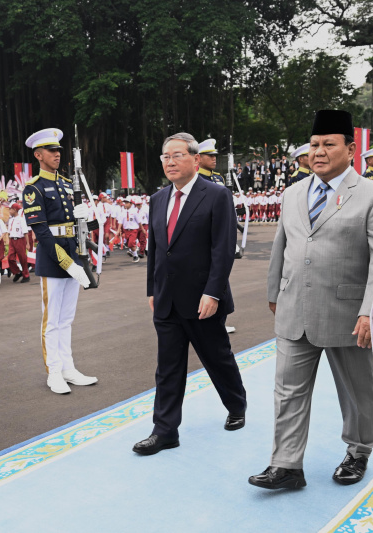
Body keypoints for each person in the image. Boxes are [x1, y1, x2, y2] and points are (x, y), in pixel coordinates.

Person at [249, 110, 373, 489]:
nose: (318, 152)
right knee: (287, 390)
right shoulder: (293, 193)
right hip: (294, 307)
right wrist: (274, 294)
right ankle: (286, 465)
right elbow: (281, 248)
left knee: (357, 390)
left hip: (349, 313)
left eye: (327, 144)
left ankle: (358, 450)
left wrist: (372, 311)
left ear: (350, 149)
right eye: (314, 145)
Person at [133, 132, 246, 456]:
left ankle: (236, 404)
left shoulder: (216, 195)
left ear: (195, 160)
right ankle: (165, 430)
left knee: (217, 358)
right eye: (165, 156)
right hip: (167, 300)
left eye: (177, 155)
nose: (170, 161)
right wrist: (152, 289)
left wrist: (213, 293)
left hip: (202, 300)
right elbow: (155, 249)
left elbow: (222, 249)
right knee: (167, 367)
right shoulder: (157, 199)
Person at [22, 128, 97, 395]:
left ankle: (68, 368)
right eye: (51, 151)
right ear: (38, 155)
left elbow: (89, 226)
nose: (57, 154)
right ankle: (53, 371)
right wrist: (68, 264)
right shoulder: (34, 189)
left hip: (74, 251)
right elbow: (41, 232)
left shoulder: (67, 184)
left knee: (67, 318)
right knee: (51, 319)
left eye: (58, 151)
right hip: (54, 257)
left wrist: (87, 216)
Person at [6, 202, 31, 283]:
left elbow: (25, 232)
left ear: (15, 210)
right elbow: (9, 231)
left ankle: (26, 275)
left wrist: (27, 243)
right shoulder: (11, 220)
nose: (9, 211)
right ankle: (17, 272)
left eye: (10, 209)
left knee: (22, 258)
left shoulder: (21, 219)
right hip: (12, 240)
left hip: (20, 239)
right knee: (10, 258)